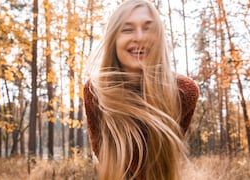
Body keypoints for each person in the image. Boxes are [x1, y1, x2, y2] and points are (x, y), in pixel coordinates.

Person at [83, 0, 199, 179]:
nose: (140, 37)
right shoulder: (96, 91)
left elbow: (161, 158)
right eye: (127, 29)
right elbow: (105, 157)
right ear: (113, 40)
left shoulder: (183, 91)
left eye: (148, 28)